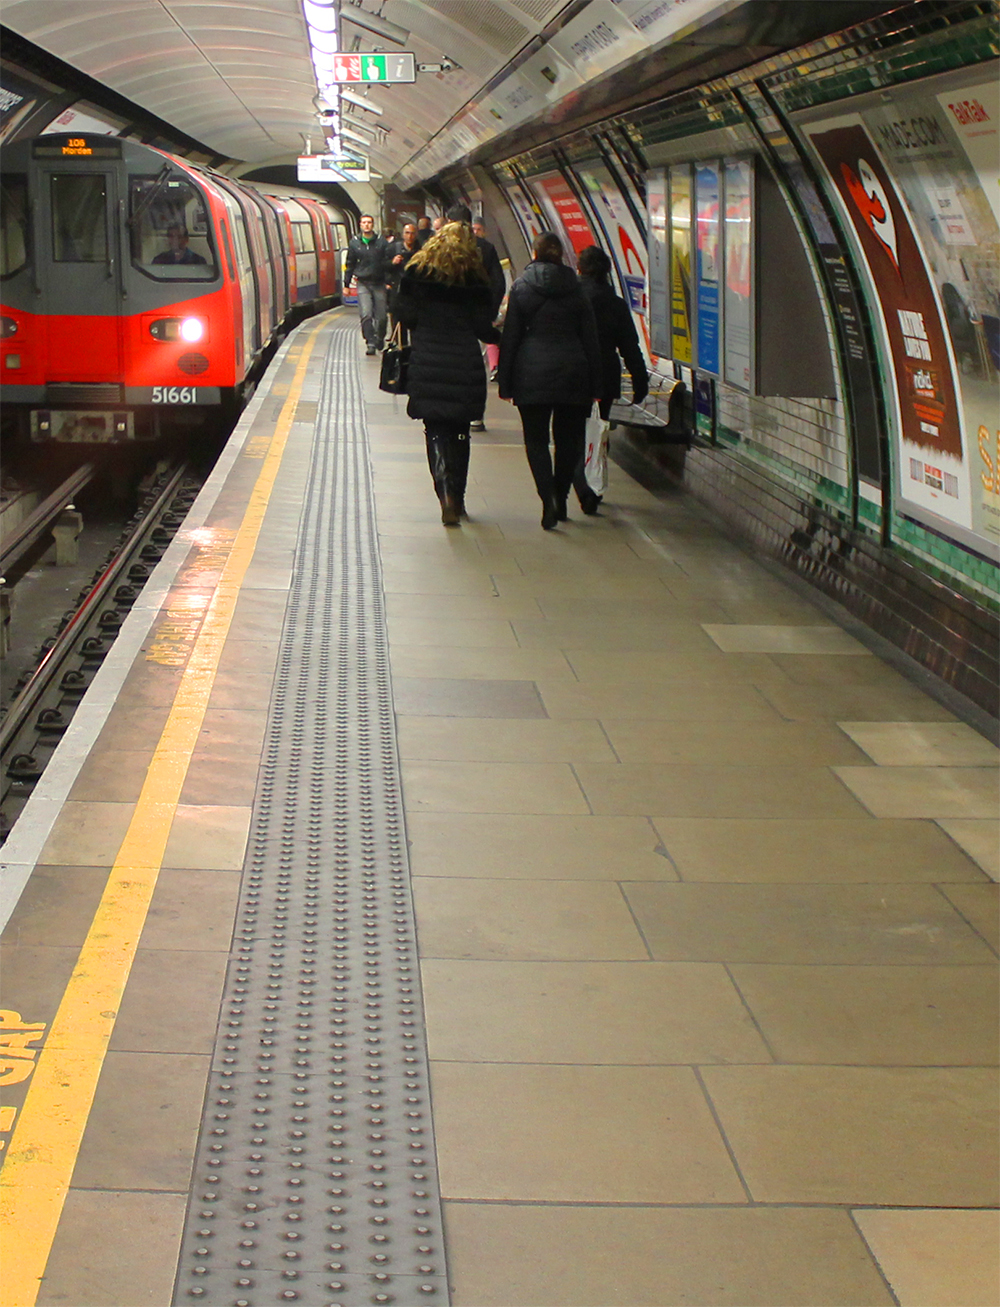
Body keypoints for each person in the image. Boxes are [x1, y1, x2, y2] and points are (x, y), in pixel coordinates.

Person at [395, 222, 501, 526]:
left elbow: (405, 315)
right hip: (463, 362)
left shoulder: (417, 274)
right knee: (460, 433)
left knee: (435, 430)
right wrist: (501, 338)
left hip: (427, 359)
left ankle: (444, 495)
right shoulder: (475, 279)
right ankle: (460, 496)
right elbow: (483, 327)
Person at [497, 230, 600, 530]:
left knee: (537, 441)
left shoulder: (521, 287)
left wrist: (505, 382)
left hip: (532, 374)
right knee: (568, 441)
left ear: (534, 253)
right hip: (573, 373)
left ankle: (547, 501)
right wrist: (596, 384)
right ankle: (561, 494)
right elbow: (590, 339)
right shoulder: (577, 289)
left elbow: (511, 337)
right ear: (562, 255)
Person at [573, 244, 649, 513]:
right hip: (605, 374)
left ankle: (581, 484)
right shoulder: (615, 304)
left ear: (579, 268)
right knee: (598, 430)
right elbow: (630, 346)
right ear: (607, 272)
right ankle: (592, 483)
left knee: (571, 432)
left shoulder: (569, 298)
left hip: (572, 373)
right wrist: (640, 381)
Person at [445, 203, 506, 430]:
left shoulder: (438, 249)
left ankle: (449, 408)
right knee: (472, 366)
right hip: (474, 319)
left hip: (447, 321)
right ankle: (475, 414)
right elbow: (498, 283)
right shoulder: (485, 248)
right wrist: (488, 313)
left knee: (446, 363)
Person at [344, 214, 391, 355]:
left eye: (369, 222)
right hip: (363, 283)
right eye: (364, 222)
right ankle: (370, 342)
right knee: (366, 314)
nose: (366, 225)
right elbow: (350, 264)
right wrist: (346, 284)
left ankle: (380, 336)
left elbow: (387, 263)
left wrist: (388, 281)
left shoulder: (381, 242)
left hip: (379, 283)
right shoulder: (355, 243)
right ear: (360, 225)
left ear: (373, 224)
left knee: (382, 316)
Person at [386, 222, 420, 336]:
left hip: (415, 288)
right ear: (403, 234)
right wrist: (392, 263)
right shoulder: (393, 248)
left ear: (416, 235)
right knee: (397, 317)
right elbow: (383, 266)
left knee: (415, 318)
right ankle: (400, 344)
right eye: (407, 233)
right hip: (398, 287)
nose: (410, 236)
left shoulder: (421, 249)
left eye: (412, 233)